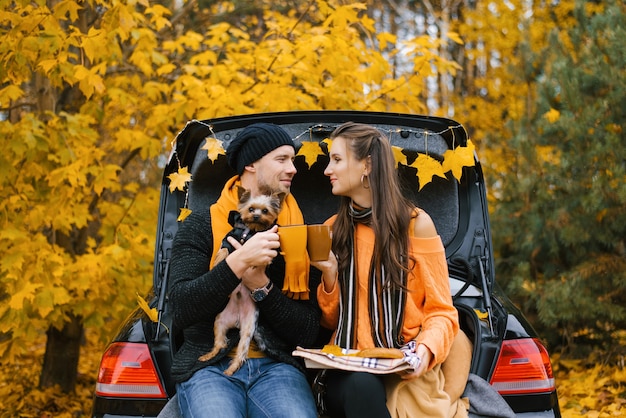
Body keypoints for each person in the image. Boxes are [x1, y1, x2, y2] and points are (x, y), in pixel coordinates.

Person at [168, 123, 320, 418]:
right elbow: (182, 308)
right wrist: (236, 264)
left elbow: (308, 331)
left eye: (293, 159)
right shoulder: (200, 225)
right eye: (282, 159)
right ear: (250, 163)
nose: (293, 168)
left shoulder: (298, 233)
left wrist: (260, 283)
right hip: (209, 366)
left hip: (276, 368)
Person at [311, 122, 461, 418]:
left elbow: (442, 311)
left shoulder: (416, 225)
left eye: (337, 160)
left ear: (366, 165)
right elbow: (330, 322)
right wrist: (330, 277)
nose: (328, 170)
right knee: (361, 387)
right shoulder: (333, 230)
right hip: (348, 366)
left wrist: (424, 351)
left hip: (402, 362)